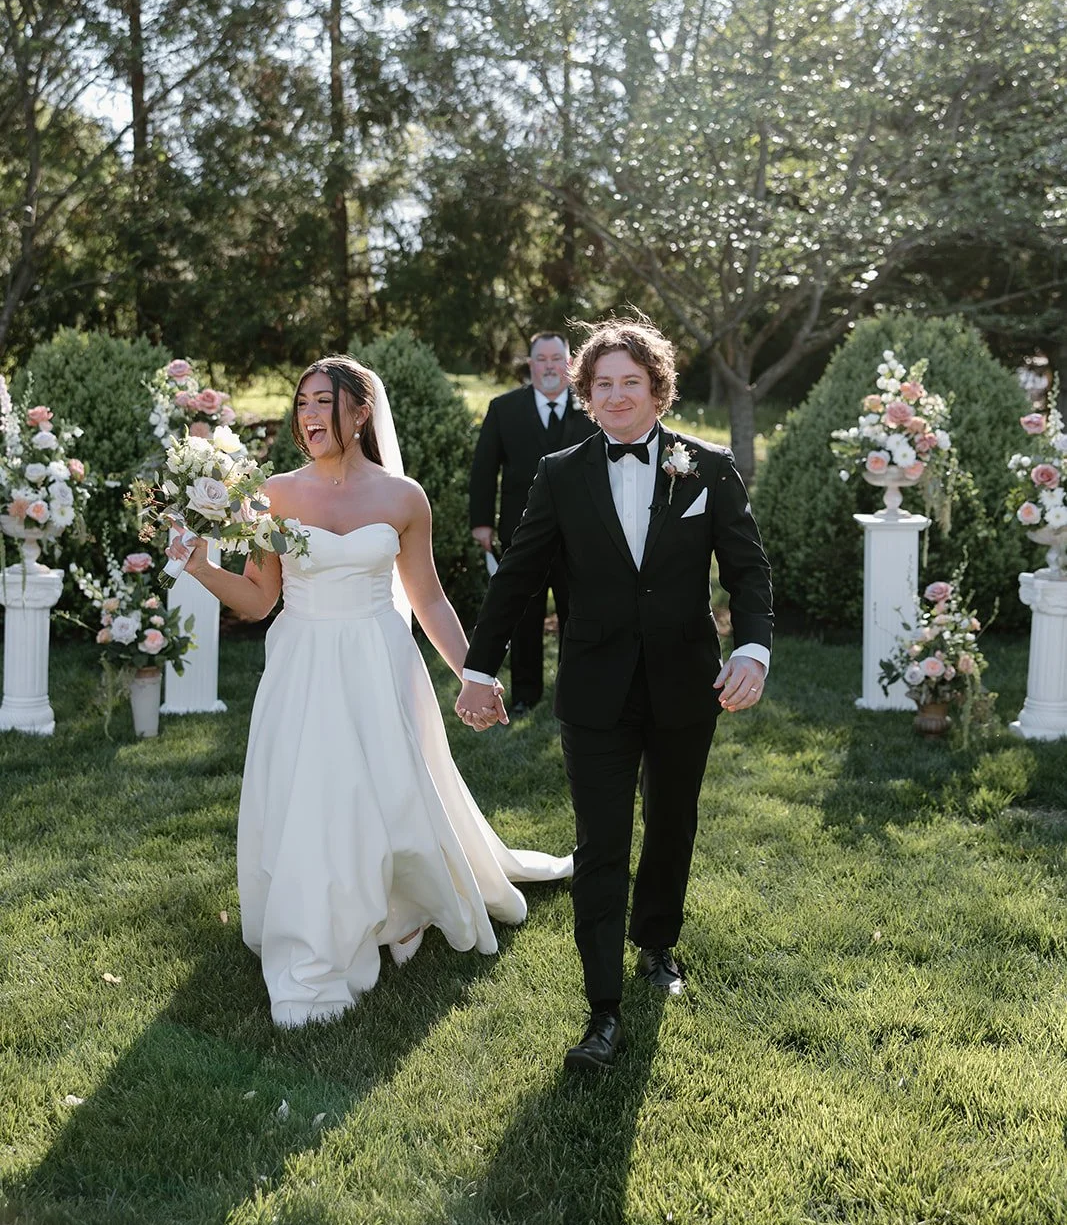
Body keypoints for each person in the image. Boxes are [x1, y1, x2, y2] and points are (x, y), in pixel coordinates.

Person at [169, 356, 571, 1028]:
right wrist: (201, 567)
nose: (307, 415)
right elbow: (259, 599)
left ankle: (401, 908)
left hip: (380, 660)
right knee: (317, 798)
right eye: (301, 402)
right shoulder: (273, 493)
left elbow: (430, 600)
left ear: (360, 412)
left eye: (322, 401)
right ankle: (321, 931)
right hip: (302, 662)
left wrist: (473, 673)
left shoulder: (402, 497)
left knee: (384, 792)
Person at [456, 319, 772, 1073]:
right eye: (603, 384)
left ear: (657, 389)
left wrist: (752, 650)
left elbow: (748, 571)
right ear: (583, 394)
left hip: (684, 682)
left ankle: (657, 944)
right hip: (594, 687)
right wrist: (478, 669)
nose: (617, 395)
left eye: (632, 381)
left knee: (671, 822)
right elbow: (522, 576)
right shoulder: (561, 472)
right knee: (600, 844)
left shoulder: (708, 467)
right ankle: (601, 1011)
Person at [468, 331, 597, 716]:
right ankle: (525, 694)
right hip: (521, 532)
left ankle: (577, 689)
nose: (549, 366)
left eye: (557, 358)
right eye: (541, 359)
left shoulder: (592, 409)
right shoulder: (504, 408)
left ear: (570, 364)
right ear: (531, 365)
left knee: (581, 613)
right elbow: (484, 470)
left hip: (582, 535)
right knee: (523, 615)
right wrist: (481, 523)